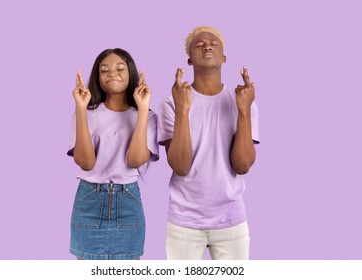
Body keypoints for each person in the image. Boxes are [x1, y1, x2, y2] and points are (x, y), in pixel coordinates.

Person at [158, 26, 260, 260]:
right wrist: (183, 110)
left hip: (231, 220)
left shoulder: (244, 101)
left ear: (224, 57)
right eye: (198, 43)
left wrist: (243, 110)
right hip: (184, 222)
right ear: (189, 60)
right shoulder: (171, 103)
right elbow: (180, 166)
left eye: (213, 42)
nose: (206, 45)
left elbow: (242, 165)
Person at [67, 48, 159, 260]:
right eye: (104, 69)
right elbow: (86, 163)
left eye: (120, 68)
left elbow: (135, 160)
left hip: (128, 202)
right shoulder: (86, 113)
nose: (111, 73)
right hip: (88, 202)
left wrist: (143, 108)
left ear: (131, 73)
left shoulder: (148, 117)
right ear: (98, 78)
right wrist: (81, 109)